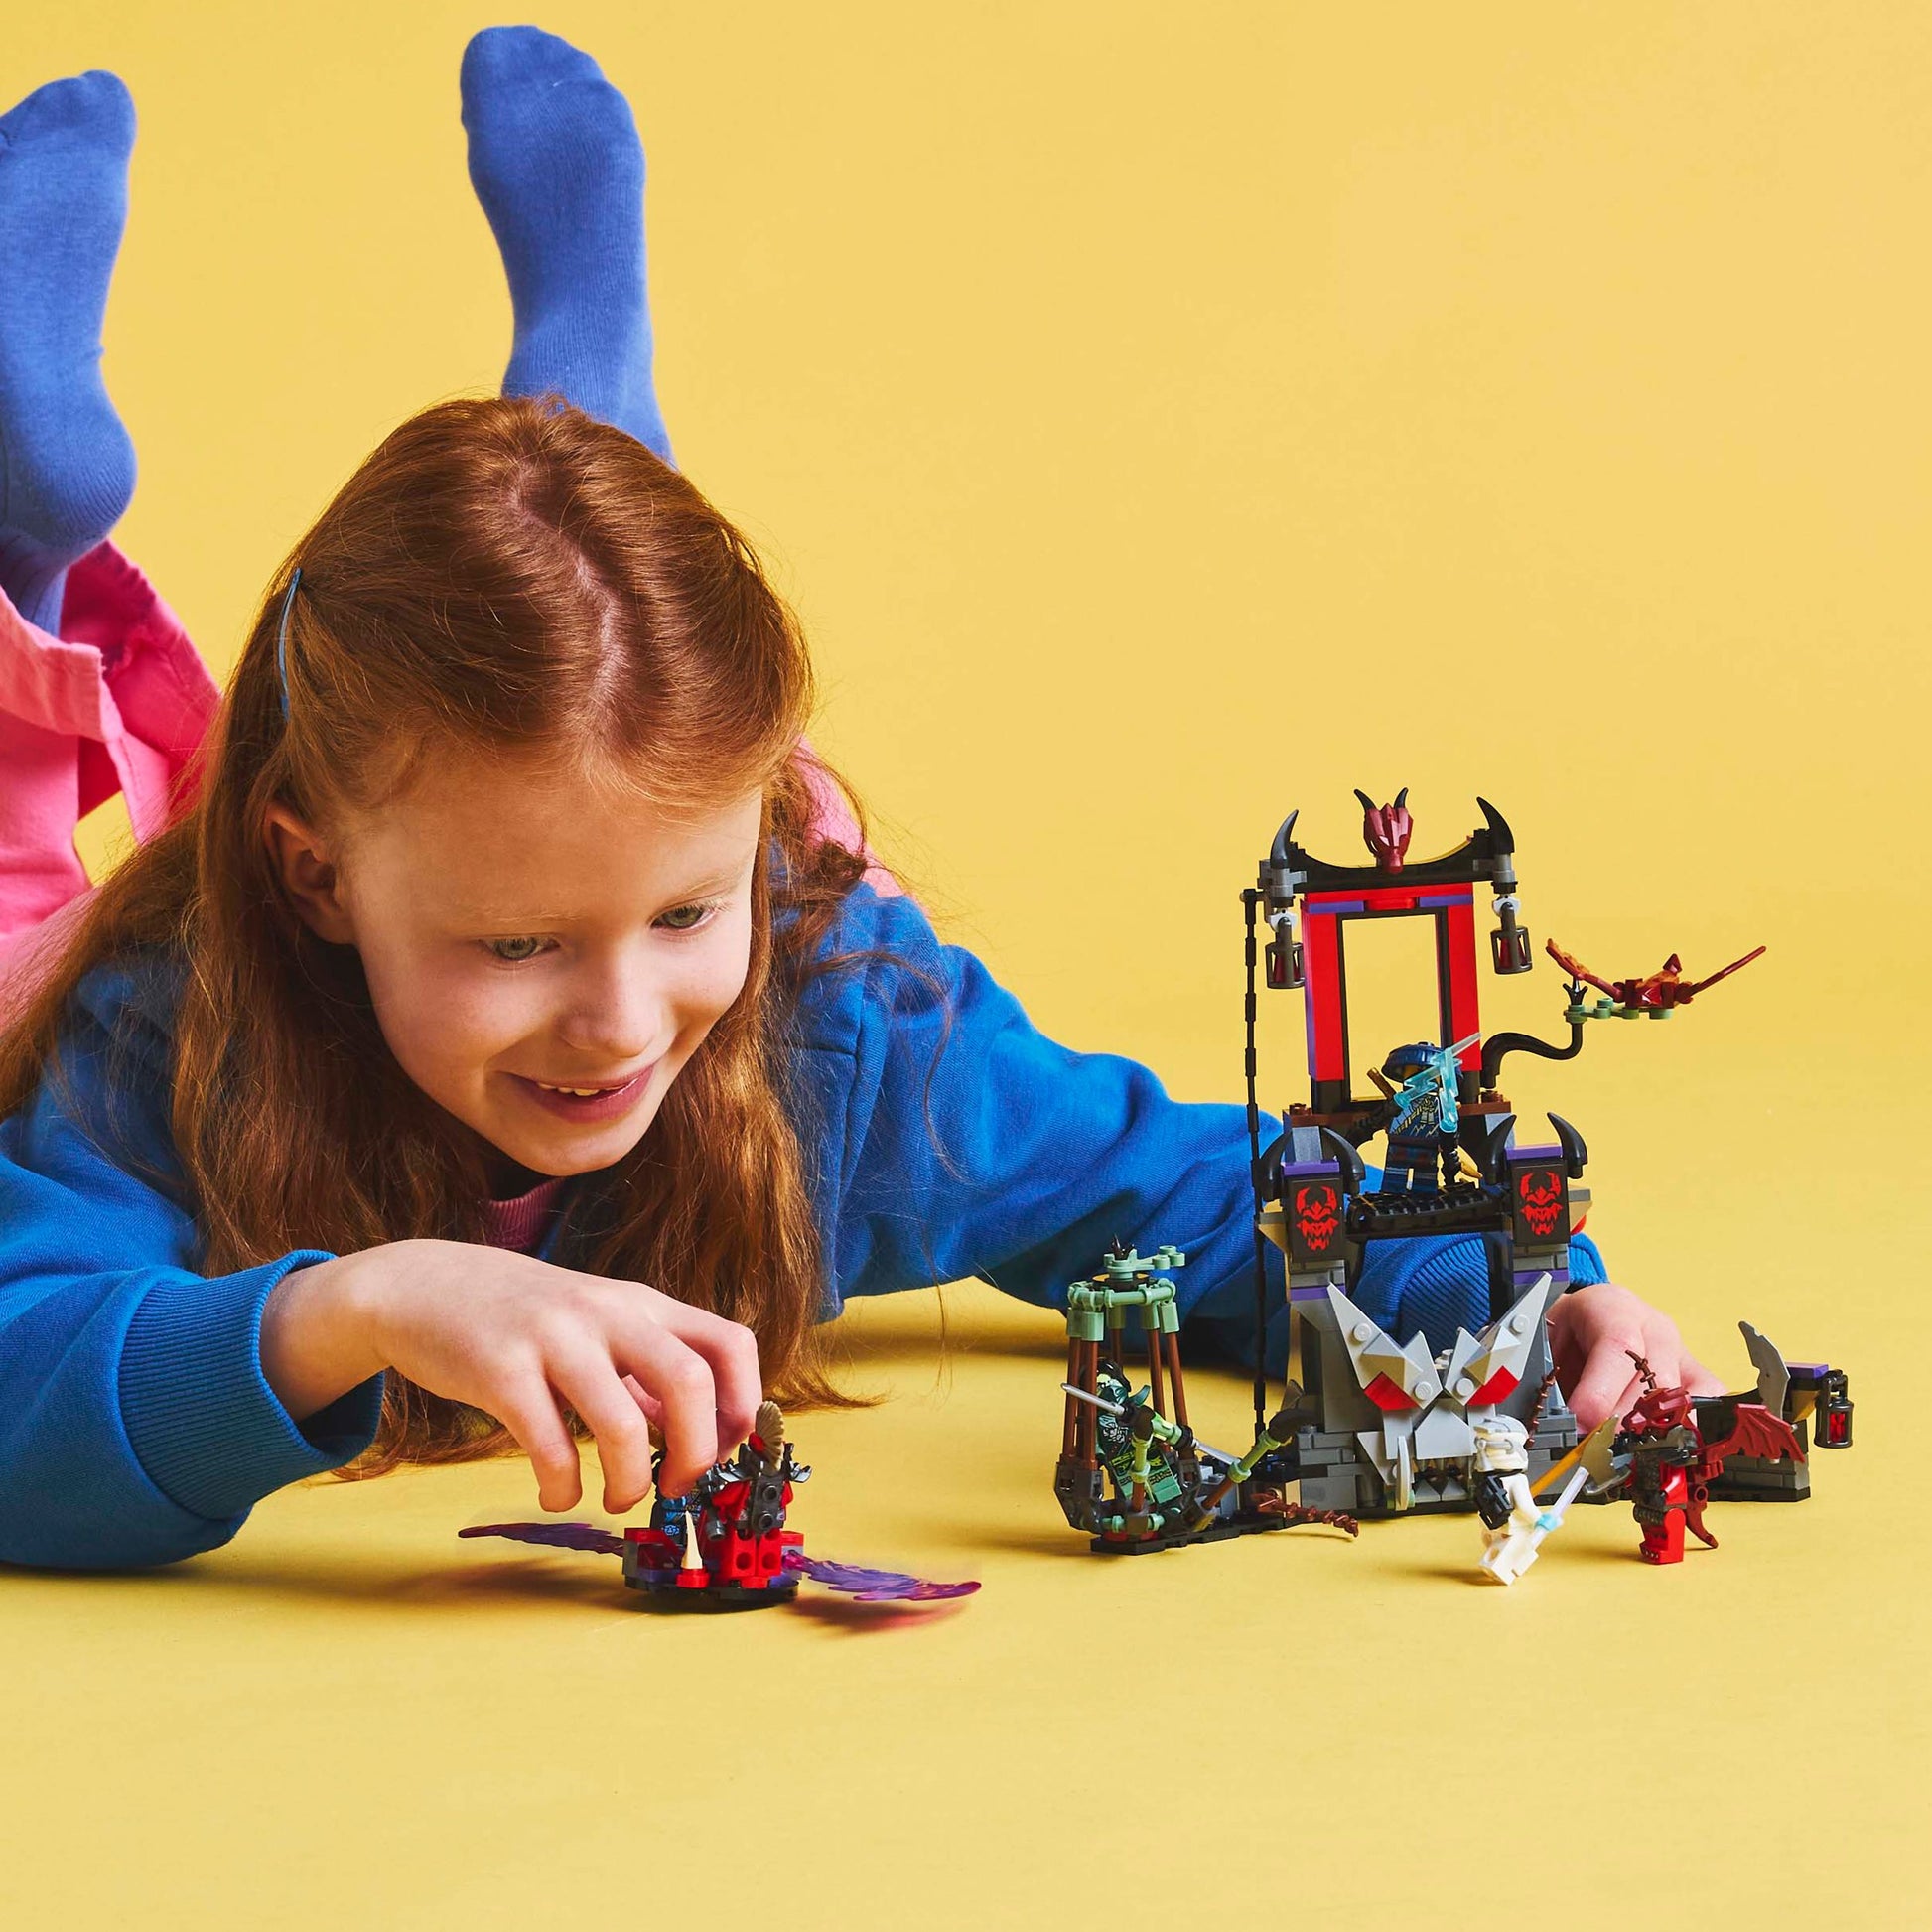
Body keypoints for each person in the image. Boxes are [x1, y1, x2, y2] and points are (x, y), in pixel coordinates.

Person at [0, 30, 1719, 1572]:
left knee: (616, 630)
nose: (620, 1020)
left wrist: (1536, 1305)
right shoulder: (172, 1032)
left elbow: (1222, 1199)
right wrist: (352, 1305)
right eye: (517, 942)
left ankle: (593, 415)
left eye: (687, 911)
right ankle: (30, 532)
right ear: (314, 882)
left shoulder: (848, 1039)